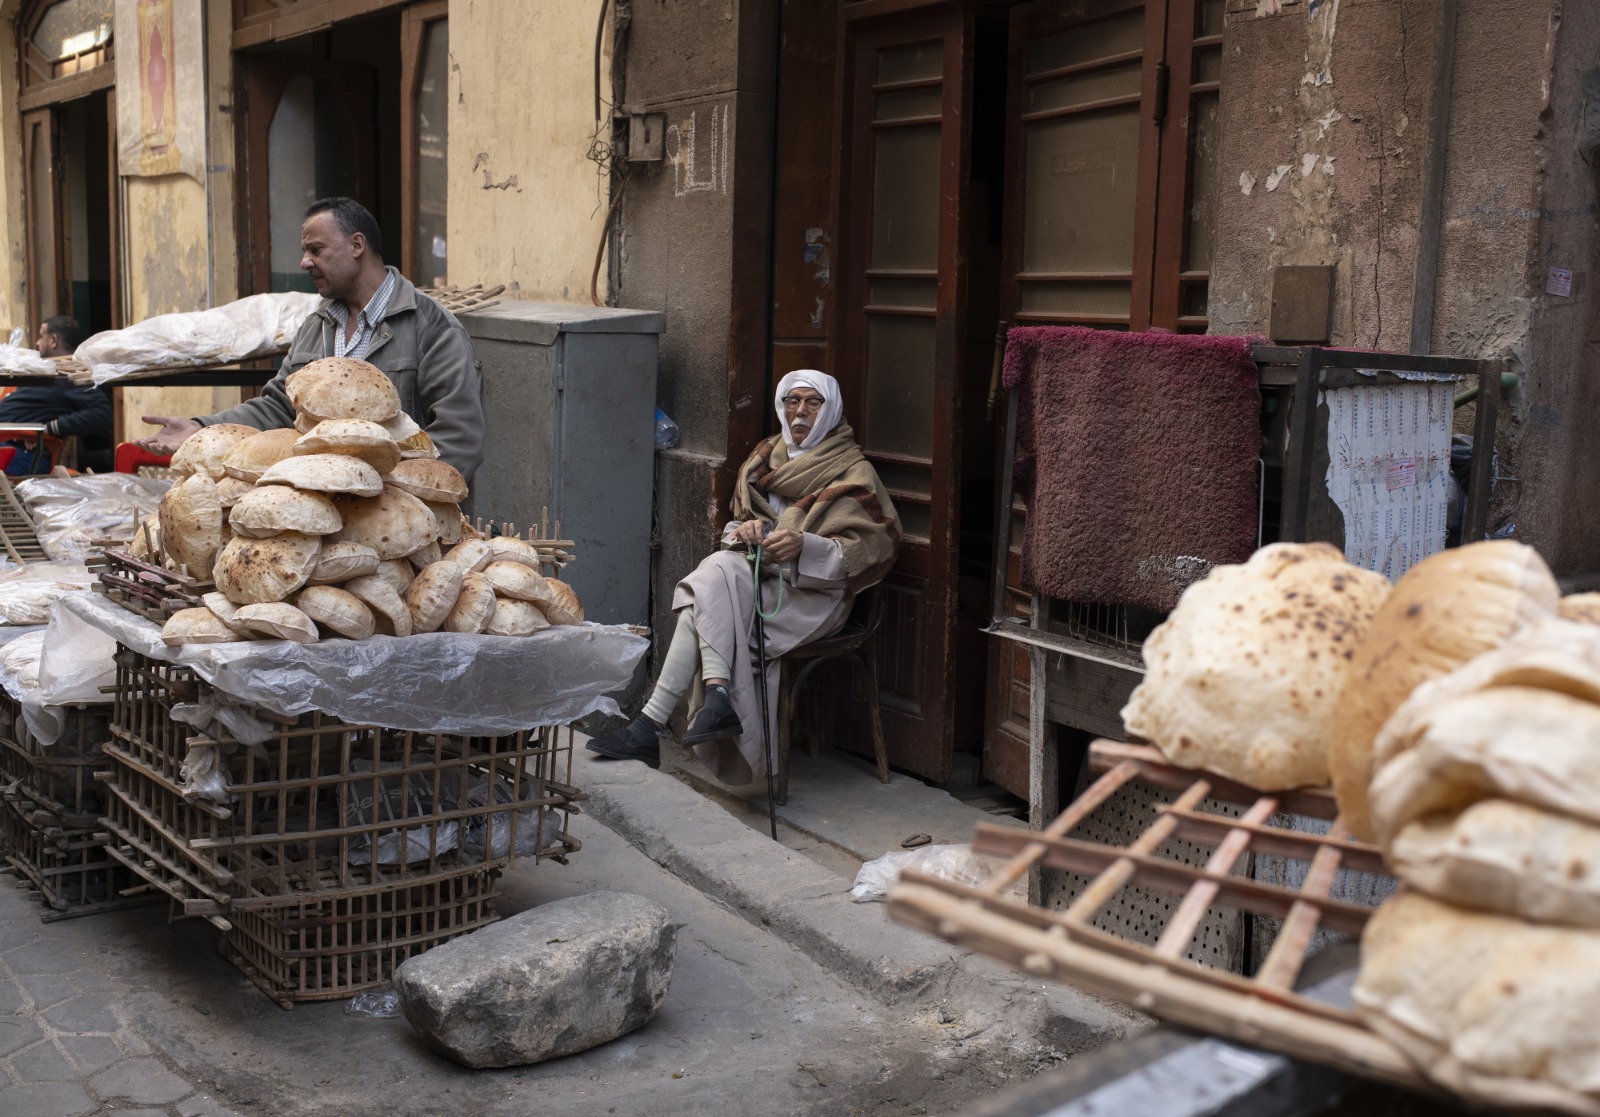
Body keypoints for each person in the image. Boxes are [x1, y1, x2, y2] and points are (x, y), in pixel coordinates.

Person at [587, 370, 902, 783]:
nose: (800, 412)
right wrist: (745, 533)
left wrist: (806, 545)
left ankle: (652, 725)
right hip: (756, 582)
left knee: (705, 594)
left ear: (831, 409)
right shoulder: (765, 457)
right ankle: (706, 702)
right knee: (719, 569)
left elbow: (873, 547)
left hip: (813, 597)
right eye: (792, 401)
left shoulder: (854, 472)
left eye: (812, 402)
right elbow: (735, 530)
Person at [135, 197, 485, 483]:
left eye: (315, 250)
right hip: (326, 516)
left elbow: (459, 441)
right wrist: (202, 427)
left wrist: (380, 492)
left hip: (402, 527)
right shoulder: (316, 326)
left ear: (357, 245)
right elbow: (278, 407)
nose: (305, 262)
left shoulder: (434, 328)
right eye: (305, 252)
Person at [0, 316, 113, 474]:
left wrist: (46, 429)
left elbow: (102, 415)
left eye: (41, 336)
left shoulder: (72, 376)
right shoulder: (47, 373)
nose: (37, 343)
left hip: (21, 453)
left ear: (53, 340)